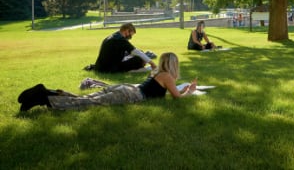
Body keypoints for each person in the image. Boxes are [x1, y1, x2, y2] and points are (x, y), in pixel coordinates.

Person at [18, 52, 197, 111]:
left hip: (126, 88)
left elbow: (172, 92)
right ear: (173, 65)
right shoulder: (167, 76)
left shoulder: (158, 72)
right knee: (88, 103)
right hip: (131, 95)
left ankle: (49, 92)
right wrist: (190, 90)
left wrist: (183, 89)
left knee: (88, 99)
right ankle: (43, 98)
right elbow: (177, 98)